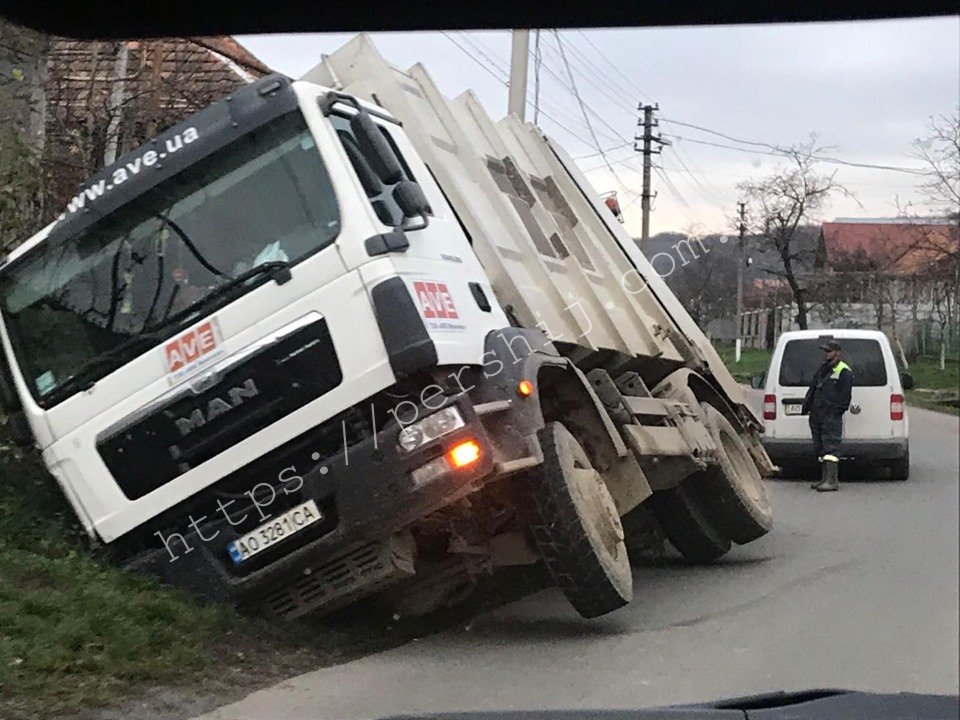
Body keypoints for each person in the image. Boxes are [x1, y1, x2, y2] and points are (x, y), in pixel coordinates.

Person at [802, 340, 854, 492]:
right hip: (817, 415)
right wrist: (807, 407)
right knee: (820, 448)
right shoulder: (822, 369)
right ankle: (824, 479)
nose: (826, 354)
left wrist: (834, 411)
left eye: (829, 351)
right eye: (825, 351)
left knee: (830, 448)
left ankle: (832, 481)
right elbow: (813, 389)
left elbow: (845, 397)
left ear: (837, 353)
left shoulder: (844, 371)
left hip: (830, 416)